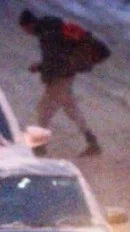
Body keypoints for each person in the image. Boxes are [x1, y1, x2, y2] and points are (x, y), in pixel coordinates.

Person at [19, 9, 101, 157]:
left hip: (60, 78)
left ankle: (39, 147)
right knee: (71, 109)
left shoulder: (48, 35)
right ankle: (92, 142)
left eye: (25, 29)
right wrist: (42, 66)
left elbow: (56, 60)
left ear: (29, 25)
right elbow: (58, 57)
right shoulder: (51, 29)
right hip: (66, 75)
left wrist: (41, 67)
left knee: (43, 111)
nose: (27, 33)